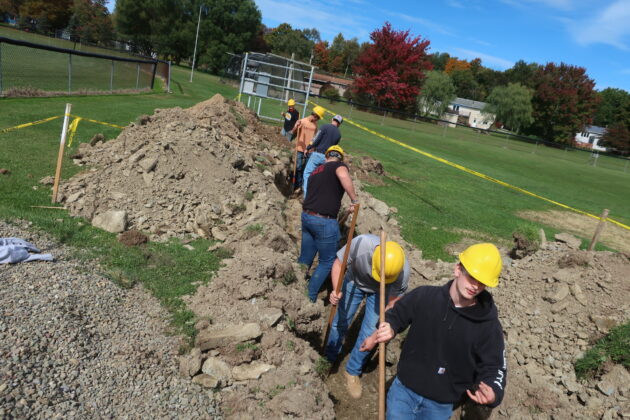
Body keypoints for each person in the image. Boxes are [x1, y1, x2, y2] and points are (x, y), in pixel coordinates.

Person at [362, 243, 507, 419]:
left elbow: (495, 366)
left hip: (440, 405)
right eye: (472, 277)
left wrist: (493, 389)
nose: (476, 286)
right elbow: (396, 314)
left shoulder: (488, 326)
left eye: (482, 283)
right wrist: (390, 327)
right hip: (403, 392)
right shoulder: (425, 297)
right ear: (458, 269)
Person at [324, 234, 409, 399]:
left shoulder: (402, 271)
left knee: (370, 329)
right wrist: (336, 290)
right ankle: (329, 357)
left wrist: (376, 334)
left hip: (381, 293)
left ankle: (352, 371)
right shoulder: (361, 244)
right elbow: (338, 264)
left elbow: (392, 303)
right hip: (354, 281)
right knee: (340, 320)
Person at [298, 145, 359, 302]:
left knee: (305, 257)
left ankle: (296, 287)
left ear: (326, 157)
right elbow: (343, 176)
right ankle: (310, 296)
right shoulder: (338, 166)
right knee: (327, 261)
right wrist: (354, 200)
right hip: (324, 221)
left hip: (307, 217)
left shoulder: (315, 172)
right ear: (340, 158)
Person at [302, 114, 343, 197]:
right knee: (319, 177)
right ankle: (316, 196)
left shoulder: (324, 127)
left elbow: (316, 138)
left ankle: (307, 196)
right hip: (327, 159)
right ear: (339, 123)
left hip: (317, 155)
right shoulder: (338, 134)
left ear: (332, 119)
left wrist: (308, 147)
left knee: (307, 174)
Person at [291, 106, 324, 191]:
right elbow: (293, 132)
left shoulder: (315, 125)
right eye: (318, 118)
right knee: (298, 167)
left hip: (310, 150)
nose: (318, 120)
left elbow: (316, 137)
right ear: (315, 115)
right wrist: (296, 126)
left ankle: (302, 186)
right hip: (300, 148)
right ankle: (297, 185)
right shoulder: (302, 121)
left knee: (306, 169)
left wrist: (314, 147)